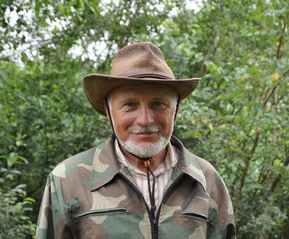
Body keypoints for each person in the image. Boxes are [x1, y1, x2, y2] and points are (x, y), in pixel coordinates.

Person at [36, 42, 236, 239]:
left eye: (158, 103)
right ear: (108, 111)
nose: (145, 120)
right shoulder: (67, 180)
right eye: (130, 105)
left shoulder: (206, 180)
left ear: (175, 110)